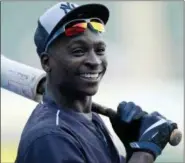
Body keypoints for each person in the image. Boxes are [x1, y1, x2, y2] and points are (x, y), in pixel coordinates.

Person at [15, 1, 177, 163]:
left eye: (100, 50)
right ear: (46, 62)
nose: (94, 61)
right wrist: (145, 151)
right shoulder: (50, 137)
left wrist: (131, 148)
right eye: (78, 51)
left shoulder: (91, 120)